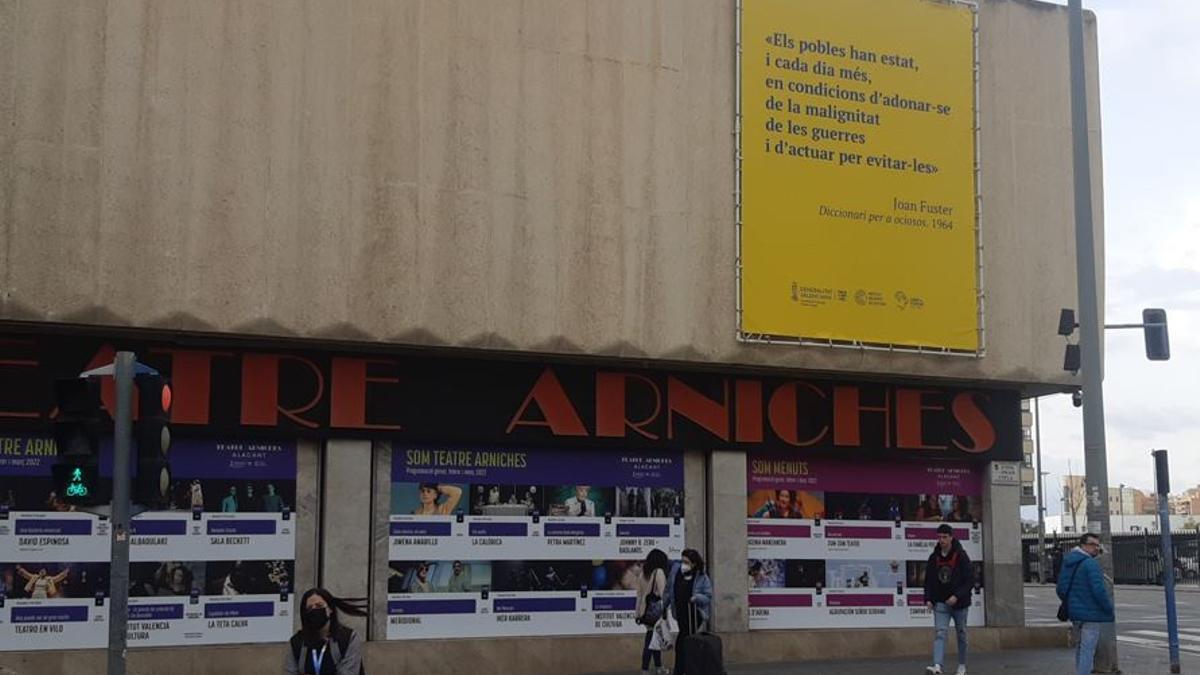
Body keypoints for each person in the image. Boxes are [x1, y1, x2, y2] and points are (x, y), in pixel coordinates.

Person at [1056, 533, 1115, 675]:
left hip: (1075, 613)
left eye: (1097, 545)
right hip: (1091, 614)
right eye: (1092, 544)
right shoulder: (1090, 563)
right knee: (1088, 649)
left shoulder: (1069, 561)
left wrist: (1074, 601)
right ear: (1083, 545)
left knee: (1080, 647)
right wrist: (1108, 609)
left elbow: (1061, 589)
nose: (1096, 548)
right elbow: (1099, 590)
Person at [923, 524, 974, 675]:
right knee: (940, 633)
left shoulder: (961, 556)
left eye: (945, 537)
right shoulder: (934, 557)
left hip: (960, 604)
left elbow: (970, 580)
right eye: (939, 537)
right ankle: (937, 666)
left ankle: (962, 665)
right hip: (941, 603)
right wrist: (928, 598)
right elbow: (928, 580)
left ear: (951, 537)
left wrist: (957, 595)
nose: (942, 540)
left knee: (961, 633)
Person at [284, 587, 368, 674]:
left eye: (319, 605)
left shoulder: (348, 638)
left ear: (330, 609)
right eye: (309, 608)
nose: (314, 610)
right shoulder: (297, 642)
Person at [665, 549, 713, 675]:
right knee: (684, 643)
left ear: (694, 564)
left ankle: (681, 670)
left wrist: (696, 597)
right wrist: (663, 606)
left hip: (694, 614)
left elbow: (708, 596)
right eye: (682, 561)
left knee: (683, 642)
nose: (683, 564)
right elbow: (669, 591)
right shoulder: (676, 572)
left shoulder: (702, 577)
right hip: (680, 613)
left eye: (686, 562)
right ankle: (685, 669)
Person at [635, 548, 670, 675]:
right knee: (651, 640)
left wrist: (637, 614)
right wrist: (666, 612)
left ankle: (659, 667)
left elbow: (639, 596)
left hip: (645, 612)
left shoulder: (643, 573)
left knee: (655, 639)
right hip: (655, 612)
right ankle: (645, 669)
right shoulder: (659, 572)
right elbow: (662, 594)